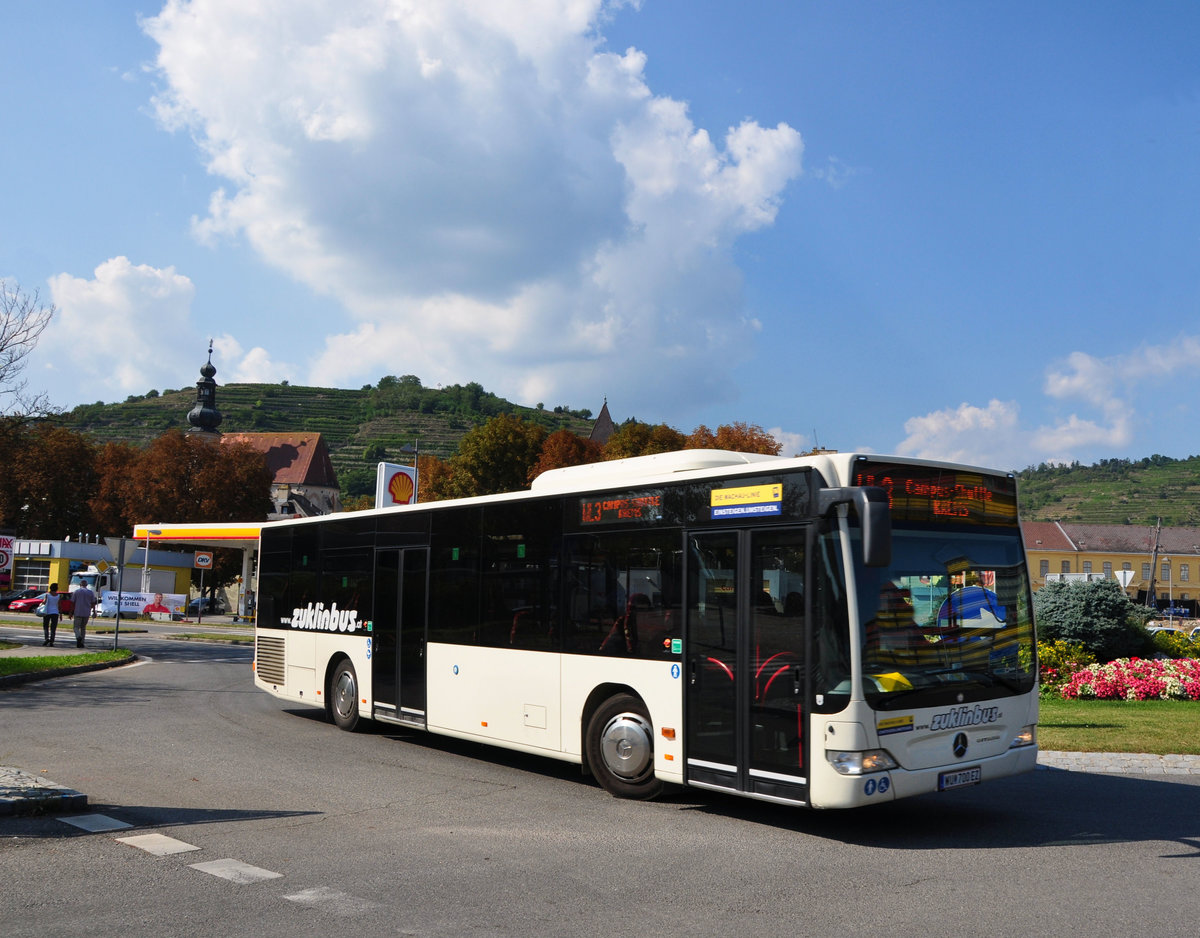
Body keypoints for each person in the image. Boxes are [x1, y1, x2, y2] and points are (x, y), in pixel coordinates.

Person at [71, 581, 97, 648]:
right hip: (86, 612)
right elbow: (93, 603)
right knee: (83, 628)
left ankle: (78, 636)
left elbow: (73, 602)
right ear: (86, 585)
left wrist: (70, 612)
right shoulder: (90, 592)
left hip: (78, 612)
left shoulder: (76, 592)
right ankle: (82, 642)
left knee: (76, 627)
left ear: (80, 585)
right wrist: (94, 611)